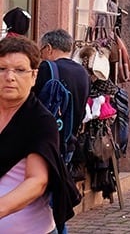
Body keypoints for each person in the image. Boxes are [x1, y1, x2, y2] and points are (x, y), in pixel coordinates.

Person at [0, 36, 80, 233]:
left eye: (20, 70)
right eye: (2, 69)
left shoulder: (41, 121)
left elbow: (37, 180)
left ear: (34, 76)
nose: (9, 77)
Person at [33, 29, 91, 160]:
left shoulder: (47, 68)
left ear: (48, 48)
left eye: (40, 51)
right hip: (69, 142)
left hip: (45, 142)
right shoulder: (83, 73)